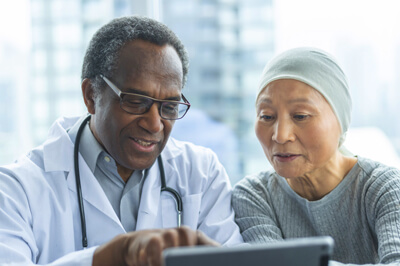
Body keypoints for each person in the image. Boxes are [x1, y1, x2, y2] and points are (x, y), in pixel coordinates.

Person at [0, 16, 243, 266]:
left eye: (169, 107)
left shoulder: (201, 174)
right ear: (91, 95)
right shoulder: (15, 190)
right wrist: (114, 256)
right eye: (136, 102)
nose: (154, 124)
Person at [232, 47, 400, 265]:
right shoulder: (254, 195)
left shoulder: (385, 189)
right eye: (267, 116)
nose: (280, 135)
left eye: (300, 116)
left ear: (341, 121)